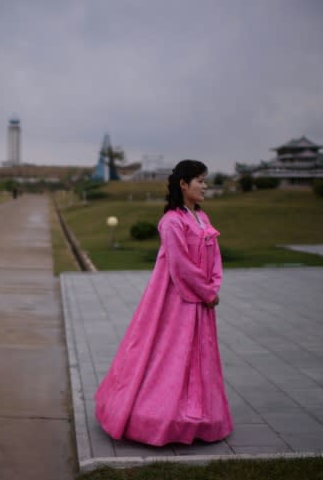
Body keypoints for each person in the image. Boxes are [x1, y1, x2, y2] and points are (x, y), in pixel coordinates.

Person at [94, 159, 232, 446]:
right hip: (175, 303)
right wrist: (207, 293)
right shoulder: (171, 222)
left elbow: (214, 258)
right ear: (183, 184)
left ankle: (202, 417)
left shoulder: (203, 219)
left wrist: (213, 285)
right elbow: (180, 266)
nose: (205, 186)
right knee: (169, 356)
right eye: (200, 181)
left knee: (198, 358)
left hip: (201, 301)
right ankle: (157, 416)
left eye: (205, 181)